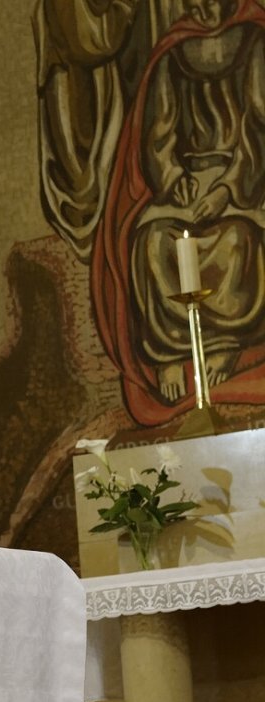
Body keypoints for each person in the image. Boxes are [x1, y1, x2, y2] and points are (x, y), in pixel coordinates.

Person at [92, 0, 265, 425]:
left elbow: (259, 126)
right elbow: (158, 131)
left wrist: (226, 190)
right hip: (186, 182)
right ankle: (170, 352)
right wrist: (172, 178)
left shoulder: (255, 39)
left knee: (237, 241)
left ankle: (224, 345)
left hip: (240, 183)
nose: (201, 8)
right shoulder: (172, 52)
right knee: (152, 243)